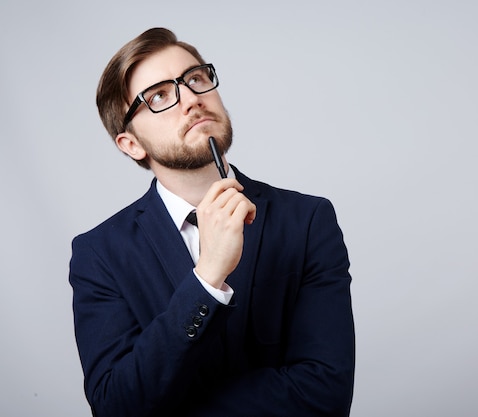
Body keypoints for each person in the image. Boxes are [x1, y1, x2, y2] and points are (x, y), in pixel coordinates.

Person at [69, 27, 355, 417]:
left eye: (195, 79)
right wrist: (207, 278)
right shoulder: (99, 254)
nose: (190, 99)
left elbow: (326, 394)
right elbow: (116, 406)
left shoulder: (306, 221)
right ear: (131, 144)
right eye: (159, 96)